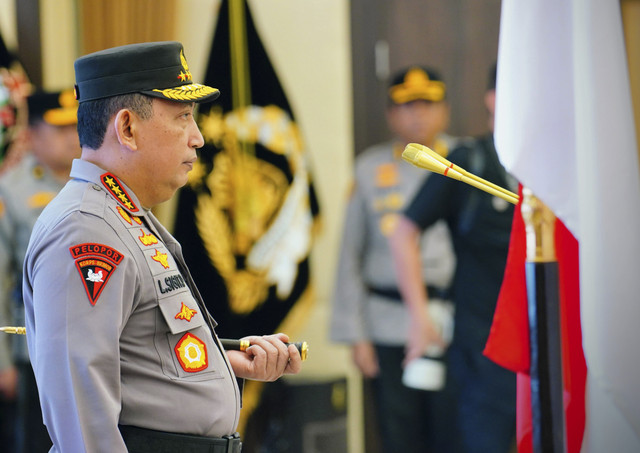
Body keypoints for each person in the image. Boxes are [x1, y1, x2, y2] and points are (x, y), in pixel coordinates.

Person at [22, 41, 302, 453]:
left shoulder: (122, 212)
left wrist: (220, 365)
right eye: (184, 117)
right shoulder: (85, 230)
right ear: (127, 128)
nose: (198, 138)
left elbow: (140, 348)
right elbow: (78, 403)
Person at [330, 66, 458, 453]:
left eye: (428, 104)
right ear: (390, 114)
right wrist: (357, 335)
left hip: (455, 321)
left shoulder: (468, 165)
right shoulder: (369, 172)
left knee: (456, 434)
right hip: (388, 325)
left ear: (445, 110)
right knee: (399, 436)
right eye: (407, 105)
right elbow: (349, 256)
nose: (418, 114)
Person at [389, 65, 517, 453]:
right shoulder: (468, 161)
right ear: (492, 99)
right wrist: (420, 317)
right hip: (484, 343)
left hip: (549, 337)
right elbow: (403, 233)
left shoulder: (557, 165)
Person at [0, 88, 80, 452]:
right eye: (58, 129)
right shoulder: (12, 192)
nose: (72, 137)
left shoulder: (94, 183)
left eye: (75, 127)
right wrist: (2, 361)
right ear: (30, 134)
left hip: (91, 343)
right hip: (34, 347)